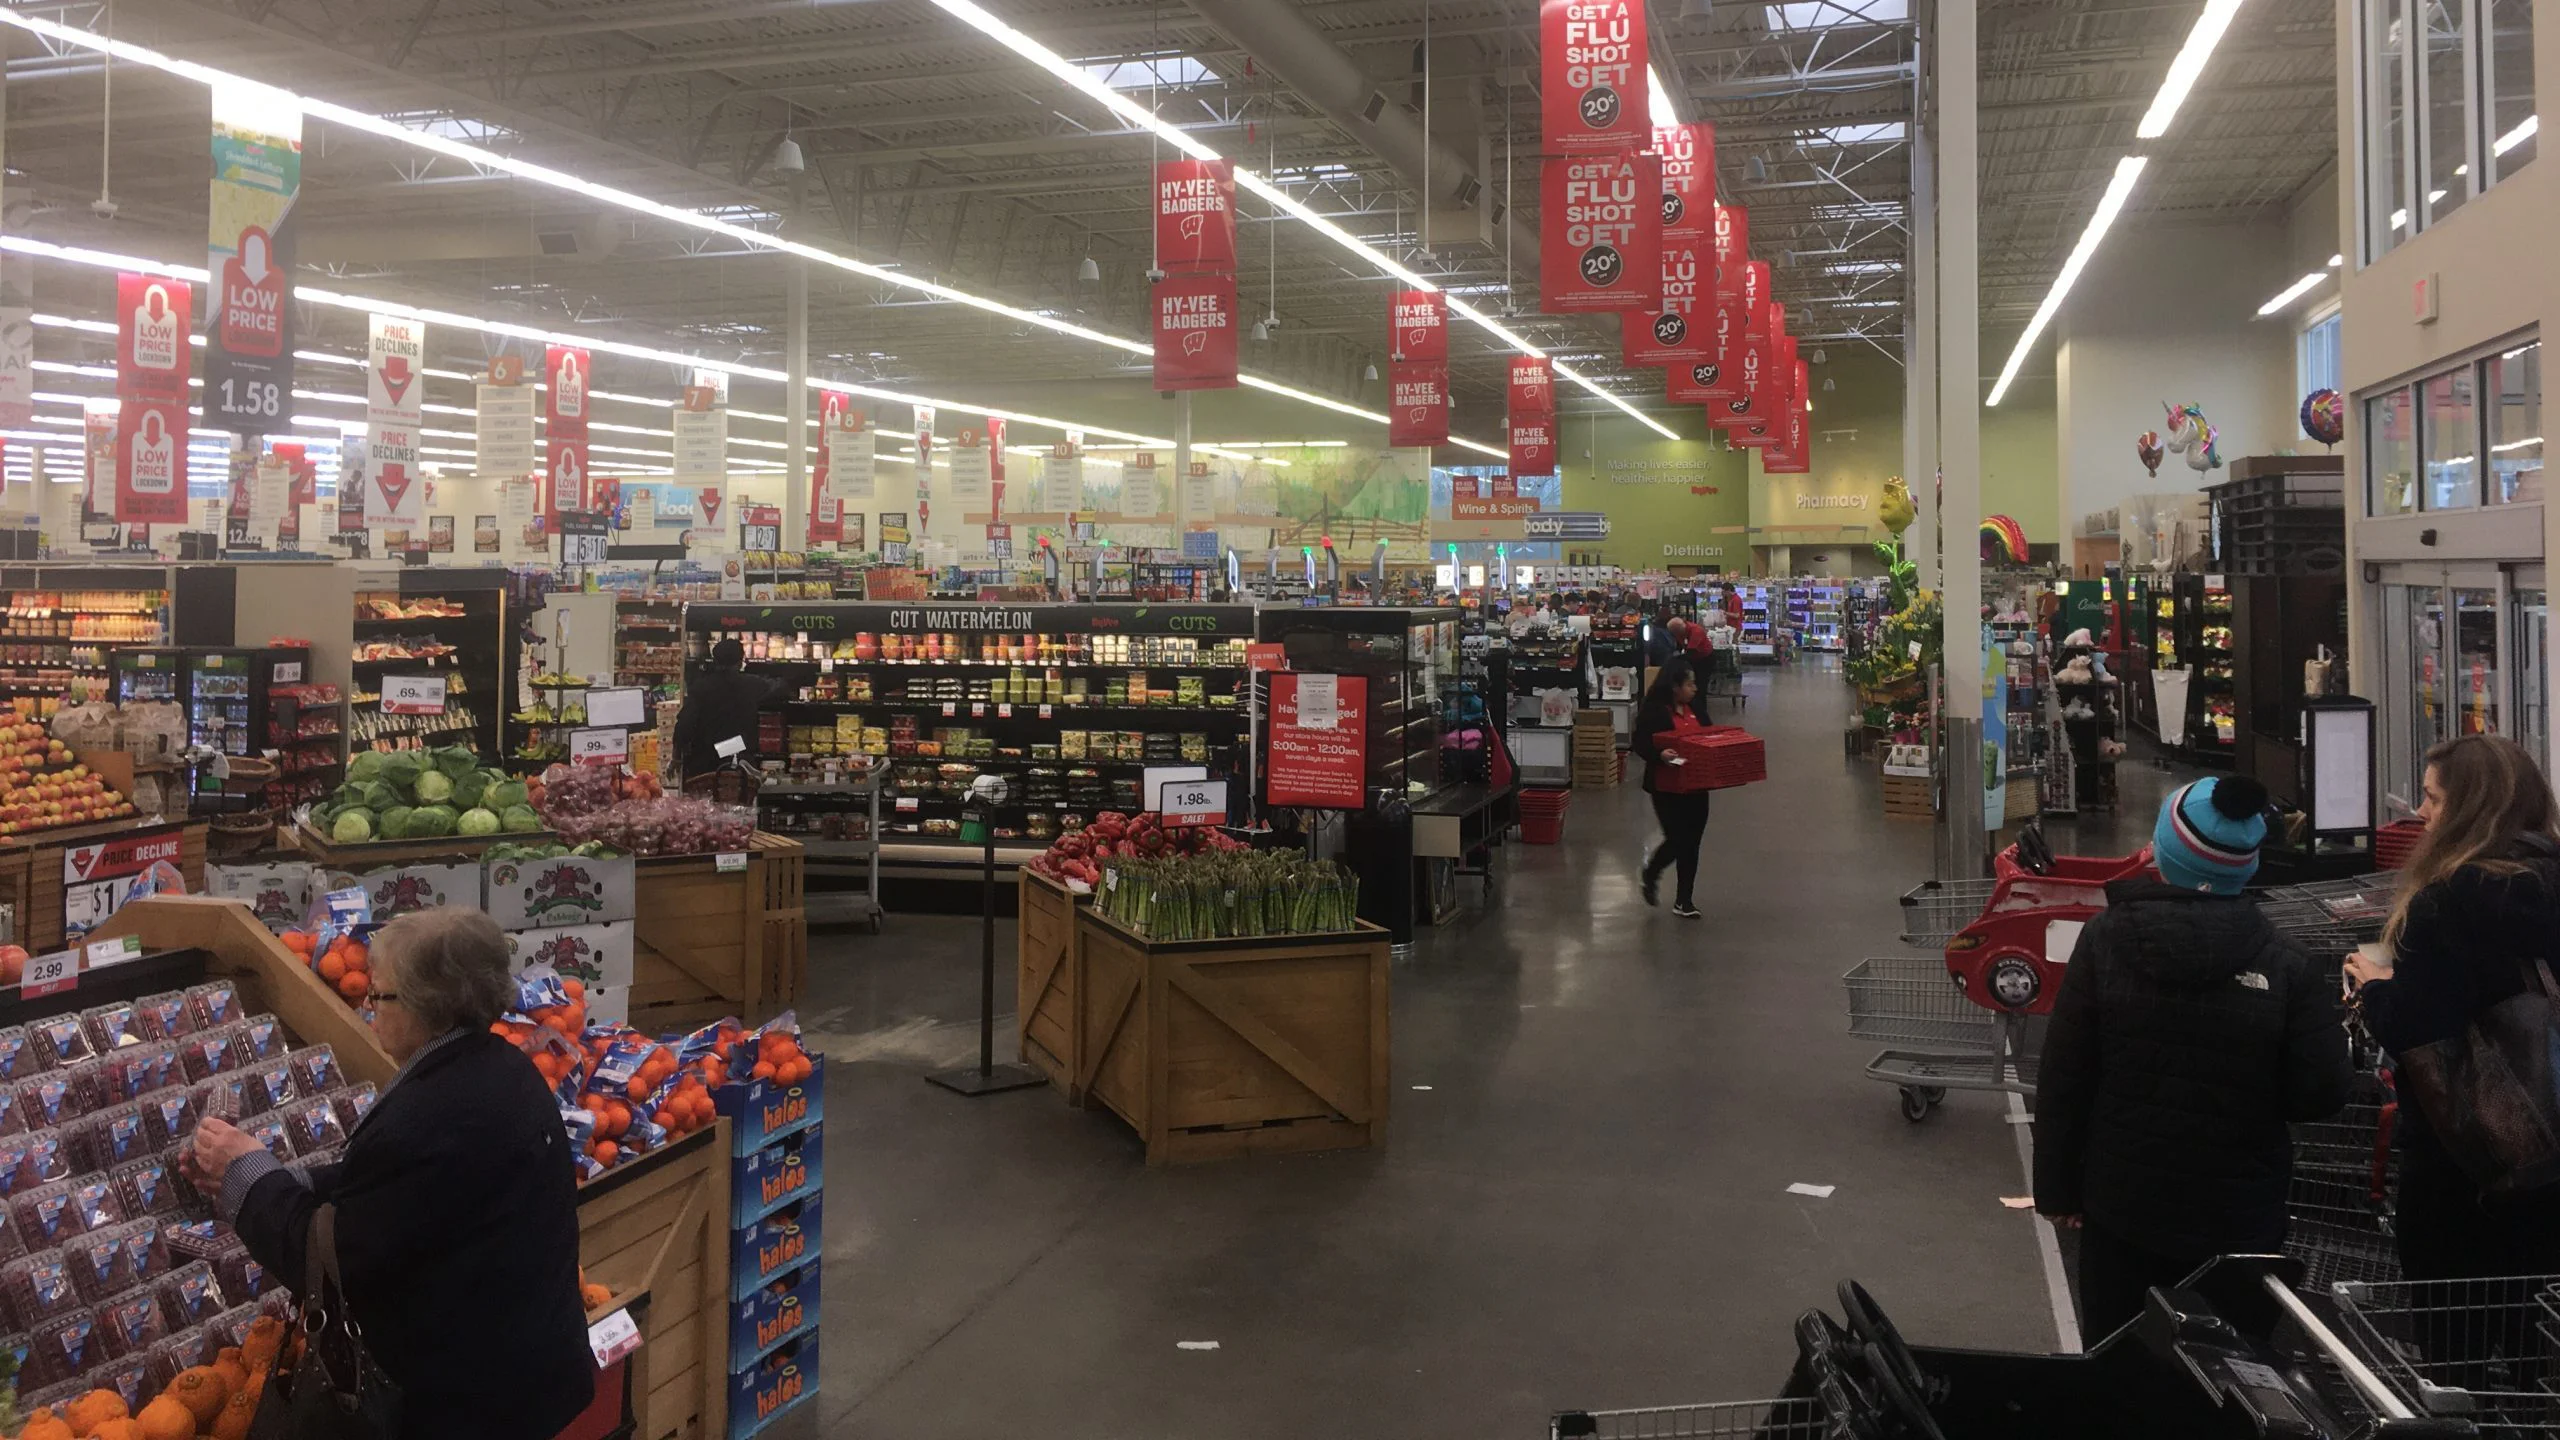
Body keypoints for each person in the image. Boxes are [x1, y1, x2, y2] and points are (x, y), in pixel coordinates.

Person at [183, 909, 595, 1438]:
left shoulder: (431, 1114)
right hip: (523, 1377)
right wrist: (287, 1180)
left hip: (466, 1407)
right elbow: (404, 1197)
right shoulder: (501, 1068)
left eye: (379, 995)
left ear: (427, 1002)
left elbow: (327, 1262)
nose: (367, 1006)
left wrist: (247, 1172)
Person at [2034, 776, 2353, 1341]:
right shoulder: (2289, 965)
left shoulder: (2105, 940)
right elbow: (2321, 1093)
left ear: (2162, 853)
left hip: (2122, 1206)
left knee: (2118, 1360)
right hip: (2239, 1221)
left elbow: (2066, 1073)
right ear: (2248, 865)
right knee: (2230, 1370)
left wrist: (2059, 1189)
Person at [2344, 734, 2560, 1282]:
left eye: (2434, 799)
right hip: (2552, 1151)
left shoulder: (2447, 903)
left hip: (2472, 1162)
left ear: (2471, 810)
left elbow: (2416, 1031)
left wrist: (2375, 988)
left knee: (2457, 1320)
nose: (2420, 812)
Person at [1632, 659, 1710, 918]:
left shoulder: (1696, 708)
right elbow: (1640, 742)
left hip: (1696, 785)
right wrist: (1660, 754)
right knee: (1678, 839)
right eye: (1689, 684)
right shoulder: (1655, 711)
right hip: (1666, 787)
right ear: (1675, 686)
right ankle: (1652, 872)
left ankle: (1684, 900)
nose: (1694, 688)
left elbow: (1710, 734)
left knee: (1693, 843)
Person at [675, 637, 782, 779]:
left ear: (714, 661)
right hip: (739, 761)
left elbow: (684, 724)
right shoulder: (751, 684)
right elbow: (779, 687)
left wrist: (676, 756)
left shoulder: (701, 687)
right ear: (740, 662)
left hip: (704, 762)